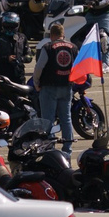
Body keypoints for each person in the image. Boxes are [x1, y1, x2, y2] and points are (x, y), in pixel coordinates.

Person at [36, 19, 79, 163]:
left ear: (52, 35)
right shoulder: (73, 47)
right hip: (66, 87)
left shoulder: (48, 47)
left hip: (49, 87)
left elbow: (39, 67)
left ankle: (50, 149)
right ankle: (67, 150)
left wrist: (36, 83)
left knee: (48, 120)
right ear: (63, 34)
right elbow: (78, 66)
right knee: (66, 119)